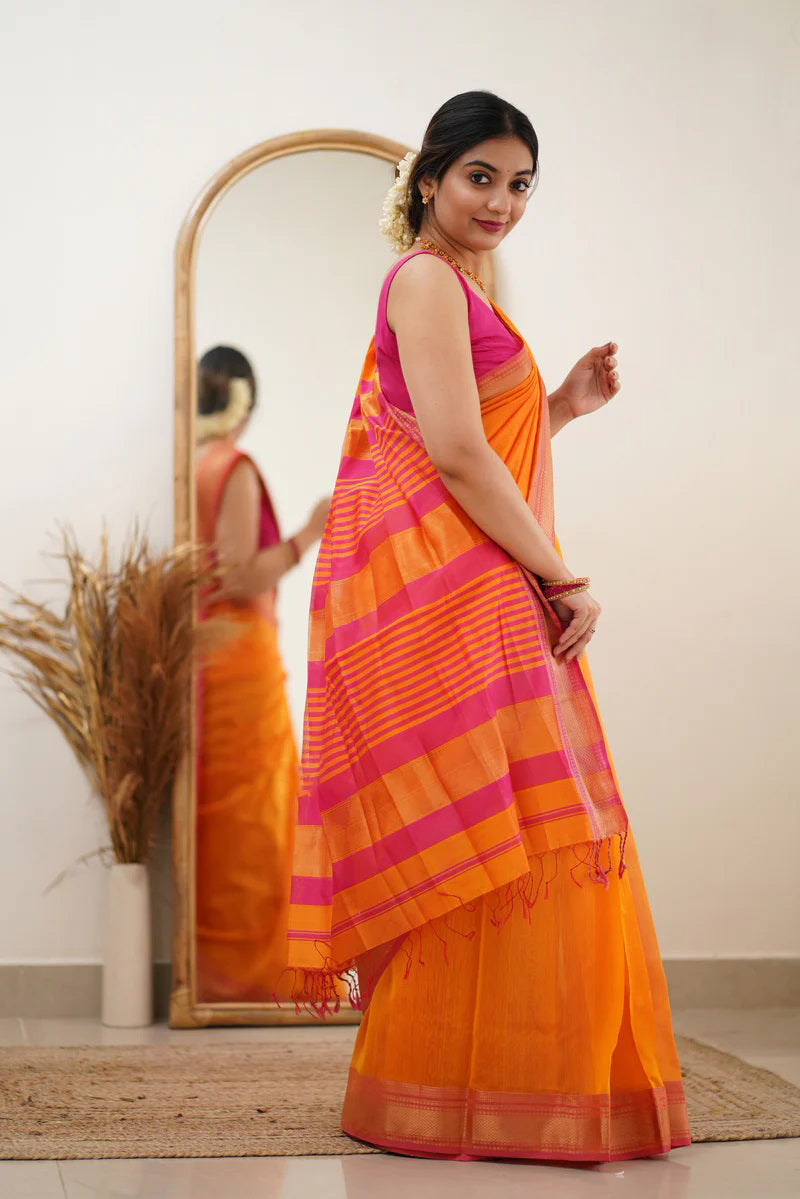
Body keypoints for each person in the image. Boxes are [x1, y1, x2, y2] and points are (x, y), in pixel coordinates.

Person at [288, 93, 690, 1161]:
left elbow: (453, 439)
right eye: (480, 177)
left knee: (516, 833)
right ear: (427, 180)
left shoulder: (459, 287)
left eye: (520, 184)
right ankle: (467, 1088)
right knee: (519, 831)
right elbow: (458, 461)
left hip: (480, 588)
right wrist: (564, 574)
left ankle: (490, 1084)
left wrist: (555, 407)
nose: (501, 202)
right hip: (465, 598)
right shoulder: (423, 279)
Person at [194, 345, 328, 1002]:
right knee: (255, 824)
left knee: (223, 831)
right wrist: (308, 533)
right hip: (239, 665)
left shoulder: (185, 466)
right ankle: (252, 982)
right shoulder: (231, 467)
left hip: (203, 662)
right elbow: (239, 574)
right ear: (245, 407)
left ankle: (216, 978)